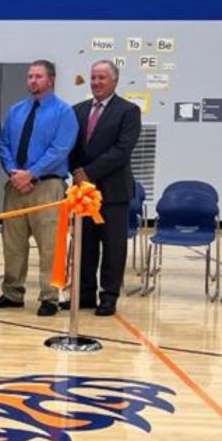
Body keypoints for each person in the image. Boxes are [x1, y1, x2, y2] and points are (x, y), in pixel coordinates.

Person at [0, 59, 78, 316]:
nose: (32, 81)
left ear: (51, 80)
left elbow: (60, 149)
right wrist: (15, 173)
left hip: (47, 186)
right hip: (16, 186)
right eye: (30, 76)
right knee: (13, 243)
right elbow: (3, 144)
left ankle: (49, 296)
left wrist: (31, 174)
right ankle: (12, 292)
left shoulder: (63, 112)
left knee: (50, 245)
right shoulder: (17, 110)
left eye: (38, 76)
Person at [69, 60, 141, 316]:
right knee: (85, 246)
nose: (97, 82)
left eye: (102, 78)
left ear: (115, 81)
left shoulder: (129, 111)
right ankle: (85, 294)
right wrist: (76, 172)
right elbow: (71, 147)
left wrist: (89, 172)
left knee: (112, 248)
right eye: (93, 77)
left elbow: (122, 150)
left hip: (113, 193)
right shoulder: (77, 110)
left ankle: (108, 297)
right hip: (83, 192)